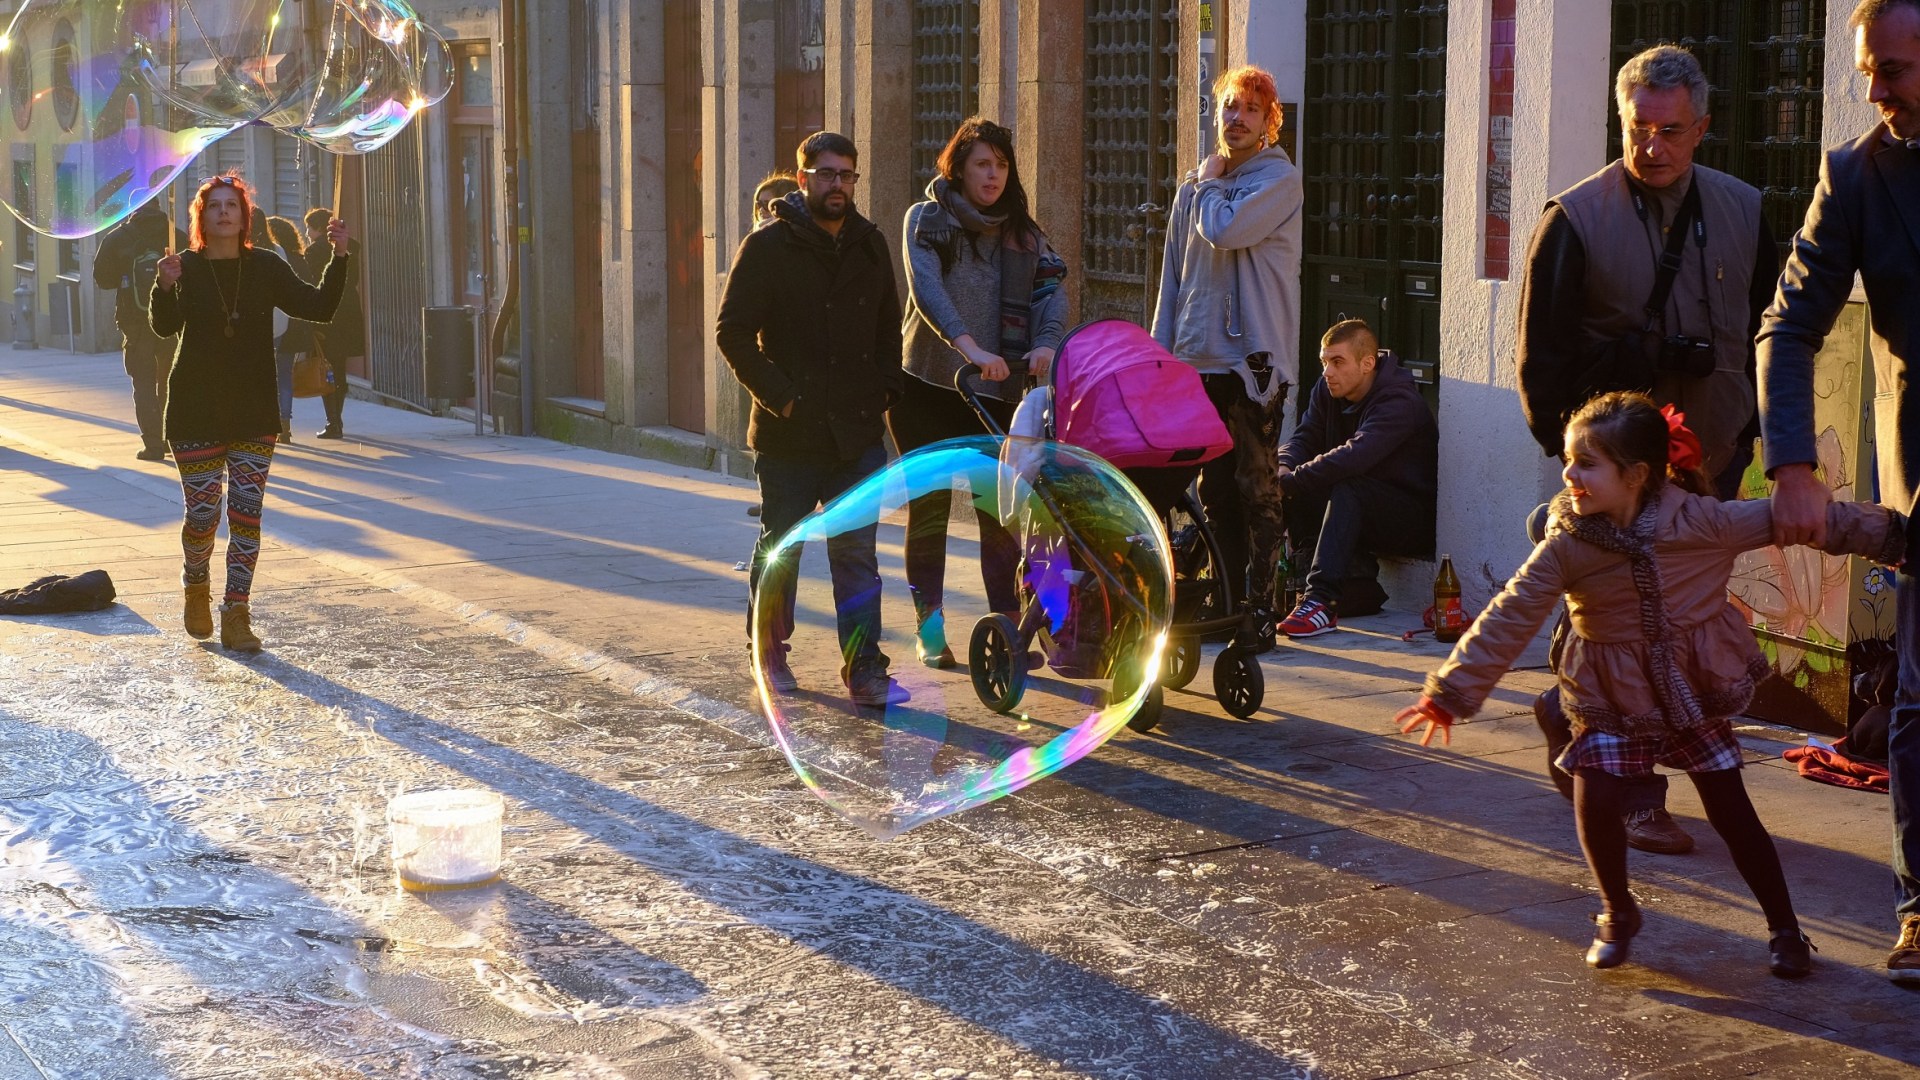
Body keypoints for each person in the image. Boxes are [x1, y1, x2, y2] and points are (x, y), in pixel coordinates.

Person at [1396, 392, 1905, 977]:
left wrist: (1897, 538)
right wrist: (1452, 690)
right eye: (1569, 461)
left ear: (1636, 475)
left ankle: (1785, 927)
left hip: (1691, 688)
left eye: (1587, 464)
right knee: (1594, 790)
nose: (1569, 475)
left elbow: (1811, 521)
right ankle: (1617, 911)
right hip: (1611, 692)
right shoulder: (1568, 543)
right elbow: (1511, 612)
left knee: (1731, 810)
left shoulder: (1703, 522)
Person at [1514, 45, 1782, 855]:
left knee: (1681, 631)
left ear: (1702, 127)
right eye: (1639, 130)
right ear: (1621, 122)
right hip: (1614, 481)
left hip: (1710, 464)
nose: (1653, 147)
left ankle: (1566, 719)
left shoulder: (1745, 209)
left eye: (1671, 131)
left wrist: (1757, 436)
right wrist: (1584, 474)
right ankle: (1631, 795)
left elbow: (1772, 335)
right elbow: (1539, 364)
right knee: (1620, 636)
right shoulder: (1575, 218)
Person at [1758, 0, 1920, 985]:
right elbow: (1788, 325)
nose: (1874, 89)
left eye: (1891, 68)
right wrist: (1792, 465)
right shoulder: (1856, 175)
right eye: (1868, 69)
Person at [716, 131, 907, 707]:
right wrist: (783, 397)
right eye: (826, 174)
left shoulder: (870, 244)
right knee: (783, 547)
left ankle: (865, 669)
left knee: (857, 555)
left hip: (855, 433)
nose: (837, 185)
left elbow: (888, 329)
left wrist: (883, 392)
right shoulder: (767, 246)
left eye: (847, 175)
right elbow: (732, 333)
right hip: (789, 434)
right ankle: (768, 653)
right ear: (802, 180)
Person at [151, 175, 352, 651]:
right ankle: (195, 582)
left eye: (232, 205)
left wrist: (340, 256)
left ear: (244, 216)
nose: (223, 212)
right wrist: (163, 285)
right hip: (195, 408)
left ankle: (236, 612)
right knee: (203, 514)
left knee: (246, 516)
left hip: (254, 409)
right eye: (214, 206)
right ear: (201, 218)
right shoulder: (183, 266)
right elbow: (163, 326)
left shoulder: (265, 265)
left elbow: (319, 306)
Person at [893, 116, 1067, 667]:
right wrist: (971, 349)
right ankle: (929, 630)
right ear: (959, 169)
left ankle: (1007, 631)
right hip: (927, 388)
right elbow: (928, 292)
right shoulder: (926, 220)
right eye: (982, 165)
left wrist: (1046, 344)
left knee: (999, 515)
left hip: (994, 394)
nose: (993, 176)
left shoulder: (1024, 234)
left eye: (1001, 165)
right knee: (930, 513)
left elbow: (1051, 293)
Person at [1151, 64, 1303, 653]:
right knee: (1212, 491)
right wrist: (1161, 357)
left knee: (1256, 488)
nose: (1237, 118)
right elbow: (1172, 276)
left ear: (1269, 122)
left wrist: (1209, 183)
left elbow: (1228, 230)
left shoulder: (1279, 180)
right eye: (1229, 108)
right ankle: (1225, 600)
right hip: (1197, 361)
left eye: (1251, 110)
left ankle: (1260, 612)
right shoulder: (1194, 186)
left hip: (1253, 365)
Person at [1272, 319, 1437, 637]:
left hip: (1409, 521)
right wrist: (1282, 467)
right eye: (1324, 362)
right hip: (1356, 510)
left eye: (1338, 362)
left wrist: (1291, 480)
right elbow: (1305, 436)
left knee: (1344, 485)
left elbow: (1355, 456)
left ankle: (1320, 602)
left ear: (1367, 364)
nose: (1327, 372)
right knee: (1293, 484)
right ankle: (1279, 586)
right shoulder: (1327, 390)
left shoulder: (1400, 402)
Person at [92, 201, 182, 461]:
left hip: (135, 323)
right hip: (170, 321)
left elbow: (102, 279)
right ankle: (171, 439)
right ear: (158, 206)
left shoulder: (118, 237)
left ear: (133, 208)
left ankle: (153, 445)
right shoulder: (175, 234)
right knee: (170, 381)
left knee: (143, 384)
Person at [302, 207, 364, 440]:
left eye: (309, 228)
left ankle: (333, 421)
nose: (307, 233)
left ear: (319, 227)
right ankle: (337, 418)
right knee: (339, 368)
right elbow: (354, 279)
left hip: (327, 314)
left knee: (326, 369)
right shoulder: (352, 246)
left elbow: (312, 284)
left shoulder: (314, 251)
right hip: (349, 312)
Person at [264, 215, 314, 444]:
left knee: (268, 375)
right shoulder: (300, 260)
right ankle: (285, 424)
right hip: (293, 327)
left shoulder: (272, 258)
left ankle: (272, 422)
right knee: (284, 374)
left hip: (275, 323)